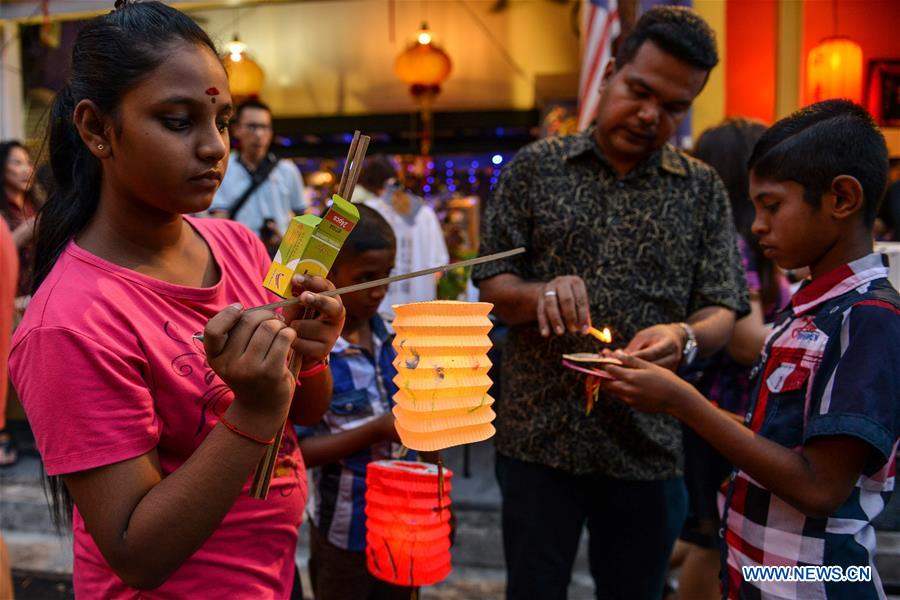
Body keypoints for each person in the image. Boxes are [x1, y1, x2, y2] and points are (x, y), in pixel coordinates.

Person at [8, 3, 344, 598]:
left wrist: (311, 355)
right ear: (95, 129)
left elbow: (306, 413)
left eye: (221, 119)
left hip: (271, 576)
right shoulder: (70, 322)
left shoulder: (238, 246)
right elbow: (136, 553)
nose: (216, 147)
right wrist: (254, 408)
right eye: (177, 121)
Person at [471, 6, 749, 599]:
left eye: (673, 107)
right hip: (537, 437)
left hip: (647, 446)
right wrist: (539, 292)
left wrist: (684, 337)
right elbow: (492, 287)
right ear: (609, 72)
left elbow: (724, 309)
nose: (651, 116)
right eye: (639, 91)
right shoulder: (535, 168)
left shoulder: (700, 190)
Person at [600, 99, 899, 599]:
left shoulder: (868, 319)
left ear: (841, 198)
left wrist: (681, 401)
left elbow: (820, 487)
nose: (757, 225)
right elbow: (776, 443)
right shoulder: (806, 309)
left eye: (772, 205)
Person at [672, 118, 791, 600]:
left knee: (701, 531)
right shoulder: (734, 243)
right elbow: (745, 342)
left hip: (722, 415)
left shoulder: (744, 241)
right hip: (720, 416)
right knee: (713, 541)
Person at [297, 204, 413, 599]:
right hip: (343, 533)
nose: (379, 290)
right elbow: (301, 451)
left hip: (404, 526)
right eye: (366, 278)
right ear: (329, 277)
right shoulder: (310, 355)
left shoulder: (396, 338)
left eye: (386, 276)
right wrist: (378, 430)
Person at [352, 155, 448, 321]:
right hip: (418, 313)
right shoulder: (424, 212)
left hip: (379, 312)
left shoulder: (367, 214)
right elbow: (439, 263)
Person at [208, 98, 307, 256]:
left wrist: (289, 244)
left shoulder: (287, 170)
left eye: (264, 127)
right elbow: (219, 220)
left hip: (279, 256)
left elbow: (304, 219)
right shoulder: (223, 168)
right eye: (252, 127)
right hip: (239, 256)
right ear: (236, 129)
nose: (259, 134)